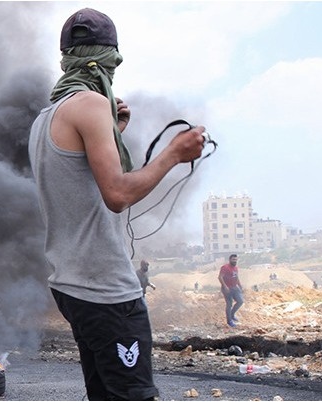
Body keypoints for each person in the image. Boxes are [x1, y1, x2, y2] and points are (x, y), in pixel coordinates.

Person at [27, 8, 205, 401]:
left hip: (71, 285)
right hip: (105, 289)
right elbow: (118, 195)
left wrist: (112, 134)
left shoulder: (47, 117)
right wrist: (175, 153)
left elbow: (76, 178)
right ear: (106, 60)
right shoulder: (89, 104)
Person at [218, 254, 244, 327]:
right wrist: (225, 286)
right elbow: (220, 277)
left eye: (236, 260)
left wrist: (240, 285)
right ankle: (229, 321)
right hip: (227, 288)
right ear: (230, 260)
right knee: (229, 304)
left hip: (234, 287)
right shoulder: (225, 267)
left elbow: (236, 277)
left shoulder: (236, 268)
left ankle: (232, 314)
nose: (235, 261)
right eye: (233, 259)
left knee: (240, 301)